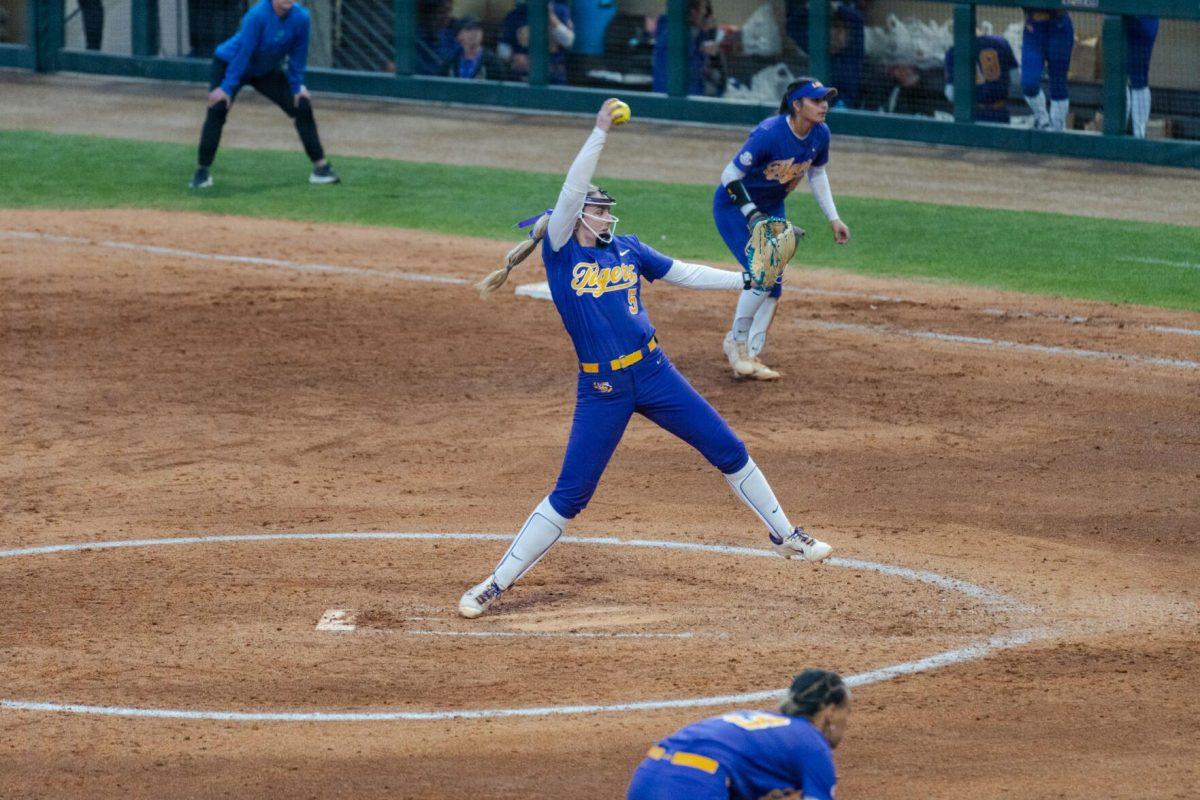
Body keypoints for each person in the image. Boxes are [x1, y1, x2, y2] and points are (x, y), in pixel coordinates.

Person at [458, 99, 834, 620]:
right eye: (600, 209)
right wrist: (598, 131)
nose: (608, 215)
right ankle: (494, 584)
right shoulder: (565, 251)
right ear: (578, 217)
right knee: (572, 494)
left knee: (728, 447)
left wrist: (747, 279)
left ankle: (785, 534)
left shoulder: (627, 249)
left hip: (656, 372)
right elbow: (571, 189)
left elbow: (685, 272)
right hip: (603, 390)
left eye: (607, 209)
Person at [715, 78, 850, 381]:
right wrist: (751, 214)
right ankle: (737, 346)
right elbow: (729, 175)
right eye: (816, 100)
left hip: (772, 208)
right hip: (736, 208)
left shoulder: (820, 134)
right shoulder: (769, 133)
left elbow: (817, 173)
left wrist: (834, 218)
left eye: (826, 99)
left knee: (773, 287)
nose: (824, 105)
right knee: (761, 273)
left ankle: (747, 352)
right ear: (797, 105)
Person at [627, 668, 851, 799]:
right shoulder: (814, 745)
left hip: (647, 775)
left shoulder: (762, 724)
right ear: (830, 712)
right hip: (695, 785)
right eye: (846, 712)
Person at [189, 0, 339, 189]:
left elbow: (298, 54)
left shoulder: (302, 18)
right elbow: (244, 52)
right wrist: (226, 88)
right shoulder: (257, 15)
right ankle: (202, 171)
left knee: (301, 104)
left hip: (264, 70)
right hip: (230, 64)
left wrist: (297, 86)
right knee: (218, 108)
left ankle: (321, 169)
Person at [944, 34, 1018, 124]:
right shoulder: (1001, 42)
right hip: (1000, 111)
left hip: (972, 114)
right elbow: (1015, 77)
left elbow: (950, 94)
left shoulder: (953, 52)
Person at [651, 0, 720, 96]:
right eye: (703, 9)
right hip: (676, 101)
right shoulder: (677, 37)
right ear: (693, 12)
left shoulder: (692, 35)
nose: (705, 13)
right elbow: (692, 75)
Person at [1020, 7, 1073, 131]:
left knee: (1058, 83)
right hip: (1034, 28)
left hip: (1059, 27)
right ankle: (1042, 120)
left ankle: (1057, 129)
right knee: (1029, 83)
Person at [498, 0, 575, 84]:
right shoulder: (515, 15)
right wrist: (512, 57)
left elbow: (568, 41)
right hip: (523, 75)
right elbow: (502, 48)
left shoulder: (561, 10)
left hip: (553, 74)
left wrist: (551, 16)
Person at [1127, 15, 1159, 139]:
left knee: (1138, 77)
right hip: (1121, 18)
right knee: (1118, 77)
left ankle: (1139, 135)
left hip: (1144, 17)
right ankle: (1116, 130)